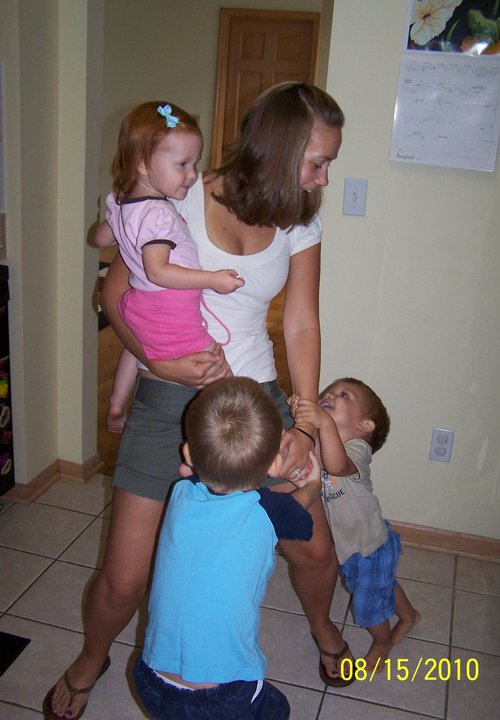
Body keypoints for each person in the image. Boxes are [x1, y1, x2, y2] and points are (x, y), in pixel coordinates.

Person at [44, 82, 349, 720]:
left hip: (255, 401)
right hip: (167, 399)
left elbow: (301, 323)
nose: (324, 178)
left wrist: (304, 417)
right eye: (317, 161)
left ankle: (323, 628)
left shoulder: (301, 218)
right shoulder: (178, 193)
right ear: (280, 147)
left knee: (314, 549)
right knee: (125, 580)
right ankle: (91, 657)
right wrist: (155, 362)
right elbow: (114, 295)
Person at [134, 376, 322, 719]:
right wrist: (312, 484)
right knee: (277, 708)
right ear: (272, 465)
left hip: (150, 678)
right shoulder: (268, 511)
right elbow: (301, 518)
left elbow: (197, 474)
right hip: (222, 696)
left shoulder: (180, 493)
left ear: (188, 454)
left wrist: (202, 460)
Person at [93, 101, 244, 433]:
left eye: (195, 163)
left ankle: (117, 402)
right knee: (220, 371)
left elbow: (100, 238)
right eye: (182, 164)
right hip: (169, 307)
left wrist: (115, 222)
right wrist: (212, 279)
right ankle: (238, 432)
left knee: (141, 347)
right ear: (143, 163)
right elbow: (157, 271)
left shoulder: (121, 202)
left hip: (139, 303)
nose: (192, 174)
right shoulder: (159, 214)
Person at [290, 377, 422, 672]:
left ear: (365, 426)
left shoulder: (357, 449)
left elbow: (337, 465)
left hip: (369, 547)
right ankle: (409, 615)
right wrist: (299, 416)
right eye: (329, 392)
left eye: (344, 395)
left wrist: (323, 421)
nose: (330, 394)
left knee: (367, 605)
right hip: (350, 549)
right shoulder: (322, 444)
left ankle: (382, 641)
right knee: (381, 585)